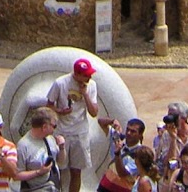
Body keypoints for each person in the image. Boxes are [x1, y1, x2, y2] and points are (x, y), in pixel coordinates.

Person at [47, 58, 100, 192]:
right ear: (77, 74)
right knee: (61, 170)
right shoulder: (60, 83)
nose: (89, 77)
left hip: (80, 132)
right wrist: (59, 112)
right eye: (86, 74)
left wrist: (85, 94)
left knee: (76, 171)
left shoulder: (92, 85)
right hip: (62, 131)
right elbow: (48, 106)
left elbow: (94, 112)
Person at [17, 107, 63, 192]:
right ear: (44, 127)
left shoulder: (50, 139)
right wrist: (38, 172)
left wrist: (62, 147)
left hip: (53, 187)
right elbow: (18, 175)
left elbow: (61, 161)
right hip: (35, 188)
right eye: (54, 126)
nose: (55, 129)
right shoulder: (23, 145)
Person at [97, 118, 143, 192]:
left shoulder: (140, 154)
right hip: (104, 187)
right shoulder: (119, 139)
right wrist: (112, 121)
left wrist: (117, 153)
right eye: (127, 129)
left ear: (140, 135)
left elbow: (122, 173)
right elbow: (100, 122)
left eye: (133, 131)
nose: (128, 133)